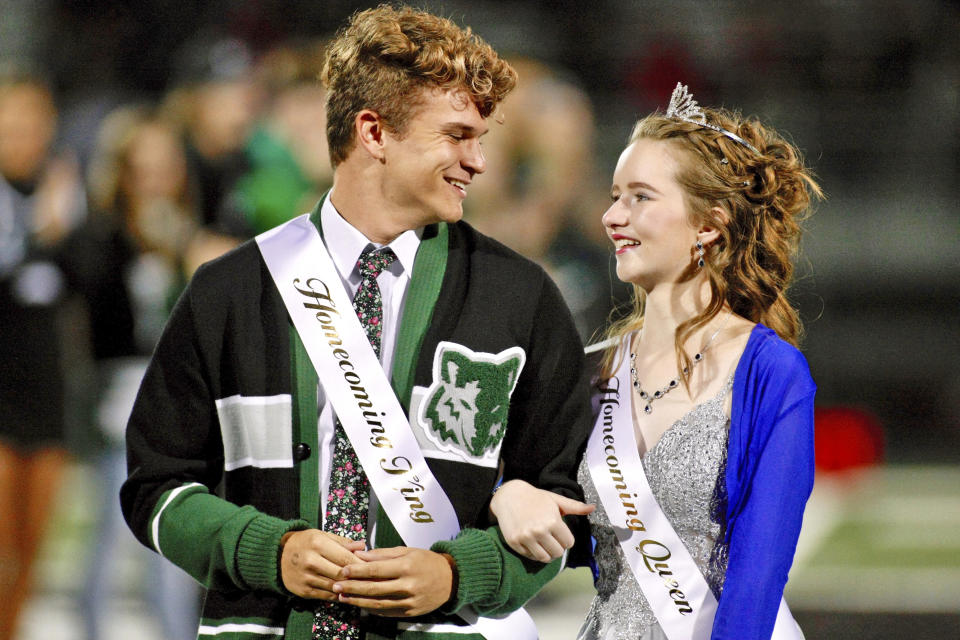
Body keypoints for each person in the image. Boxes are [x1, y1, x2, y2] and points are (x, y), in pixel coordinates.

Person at [120, 6, 593, 640]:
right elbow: (154, 489)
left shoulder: (522, 296)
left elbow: (563, 506)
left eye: (481, 138)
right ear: (374, 132)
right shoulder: (229, 289)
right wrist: (267, 551)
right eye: (456, 135)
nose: (477, 161)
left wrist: (459, 576)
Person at [490, 83, 823, 639]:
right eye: (614, 195)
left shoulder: (770, 374)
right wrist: (510, 494)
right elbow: (548, 523)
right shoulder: (591, 371)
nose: (611, 217)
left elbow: (757, 576)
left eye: (640, 197)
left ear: (708, 224)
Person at [69, 106, 201, 640]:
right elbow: (96, 318)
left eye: (164, 166)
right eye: (142, 167)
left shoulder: (190, 236)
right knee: (112, 530)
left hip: (180, 400)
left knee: (174, 534)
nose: (155, 179)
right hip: (119, 395)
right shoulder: (99, 238)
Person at [0, 69, 86, 640]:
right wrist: (37, 232)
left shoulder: (70, 196)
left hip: (48, 393)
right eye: (11, 122)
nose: (23, 134)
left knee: (32, 549)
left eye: (34, 122)